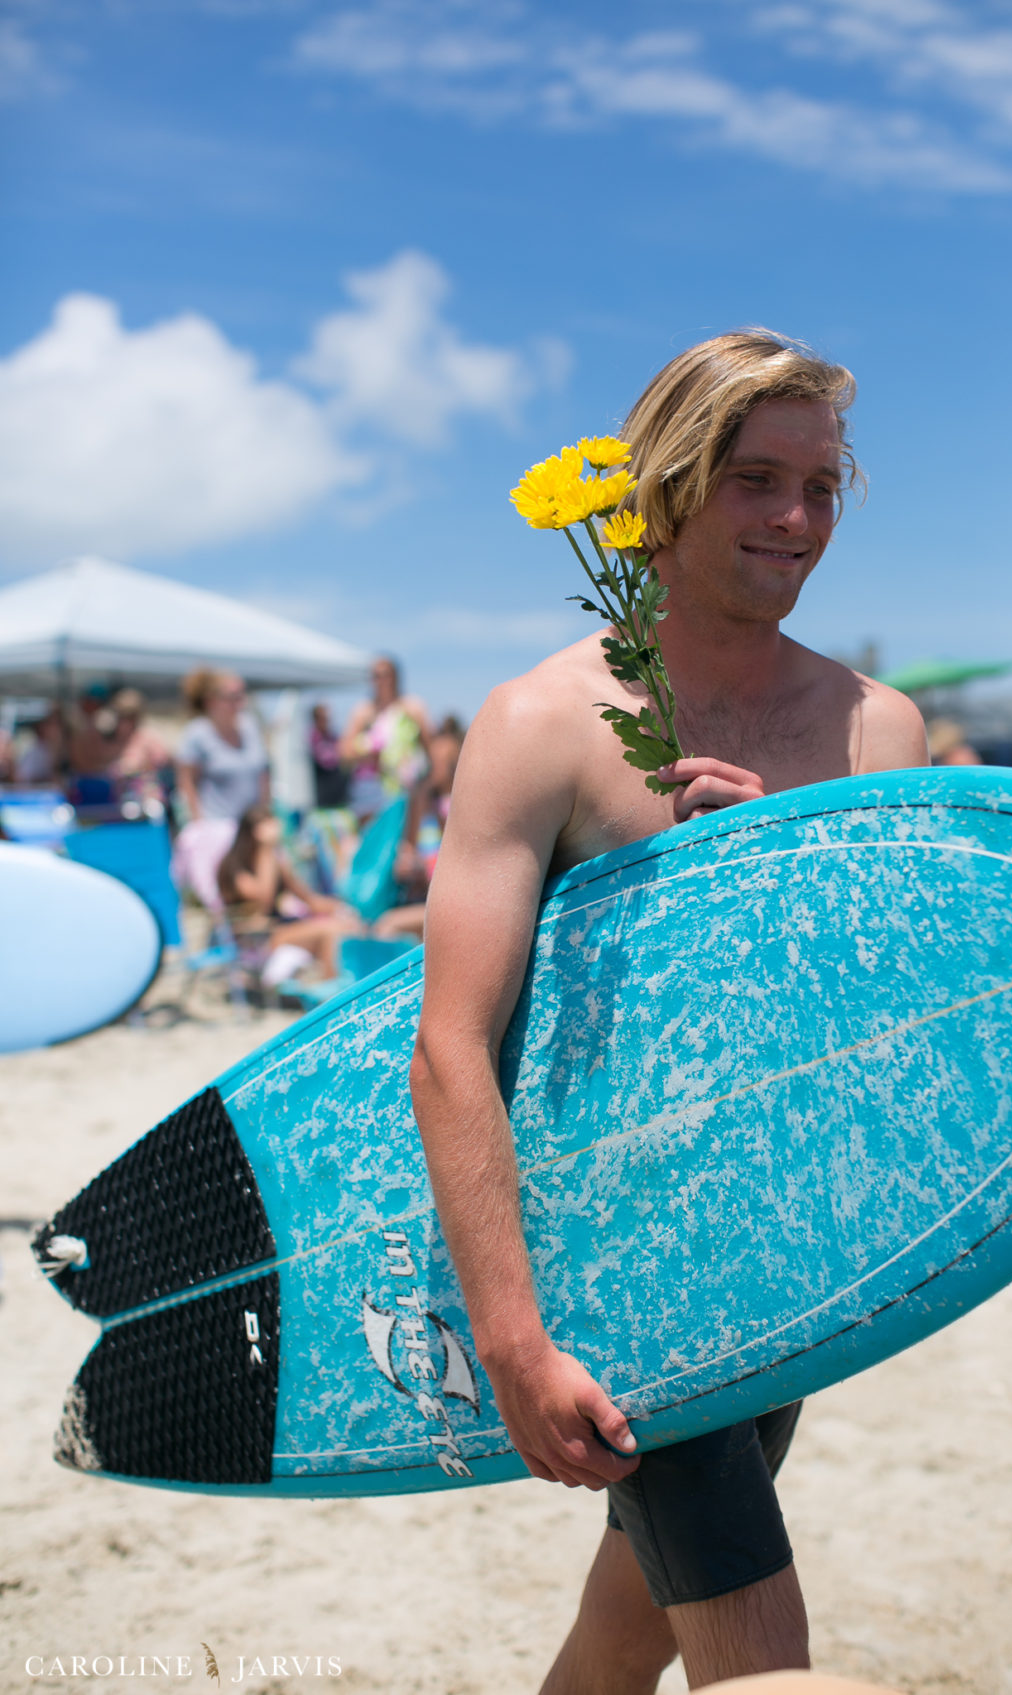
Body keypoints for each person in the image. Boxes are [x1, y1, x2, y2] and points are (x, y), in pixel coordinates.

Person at [410, 329, 929, 1694]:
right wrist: (512, 1339)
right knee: (758, 1647)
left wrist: (783, 876)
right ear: (666, 491)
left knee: (630, 1620)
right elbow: (450, 1043)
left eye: (820, 485)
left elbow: (883, 1023)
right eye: (758, 479)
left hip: (786, 1249)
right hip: (618, 1254)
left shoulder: (879, 728)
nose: (797, 519)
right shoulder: (546, 722)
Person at [217, 804, 360, 982]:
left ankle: (345, 985)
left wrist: (344, 907)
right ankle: (333, 994)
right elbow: (264, 901)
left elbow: (308, 899)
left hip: (280, 929)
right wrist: (266, 849)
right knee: (329, 932)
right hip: (256, 939)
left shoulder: (274, 861)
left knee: (347, 925)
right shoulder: (235, 870)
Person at [174, 669, 269, 910]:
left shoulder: (250, 728)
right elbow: (186, 782)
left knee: (263, 892)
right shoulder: (198, 734)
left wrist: (266, 817)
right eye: (233, 696)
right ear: (212, 701)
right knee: (239, 896)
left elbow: (263, 775)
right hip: (218, 833)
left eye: (241, 695)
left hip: (252, 831)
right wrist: (199, 825)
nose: (240, 702)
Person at [375, 714, 465, 942]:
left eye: (441, 763)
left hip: (449, 904)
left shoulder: (459, 806)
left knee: (387, 927)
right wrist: (408, 862)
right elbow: (406, 854)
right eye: (431, 761)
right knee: (383, 926)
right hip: (421, 899)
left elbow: (458, 870)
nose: (434, 768)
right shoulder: (420, 803)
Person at [339, 656, 431, 823]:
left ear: (395, 677)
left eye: (385, 675)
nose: (381, 681)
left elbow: (431, 748)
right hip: (370, 792)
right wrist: (370, 753)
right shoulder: (364, 711)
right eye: (376, 676)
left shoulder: (412, 708)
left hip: (407, 792)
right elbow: (344, 752)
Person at [110, 688, 173, 808]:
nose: (124, 721)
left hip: (147, 800)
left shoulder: (148, 737)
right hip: (120, 802)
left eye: (130, 716)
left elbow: (165, 762)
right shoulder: (115, 740)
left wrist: (142, 766)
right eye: (121, 716)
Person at [308, 703, 351, 811]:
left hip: (338, 795)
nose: (327, 721)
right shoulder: (313, 738)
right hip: (322, 797)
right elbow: (327, 760)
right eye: (324, 718)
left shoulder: (332, 736)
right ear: (316, 719)